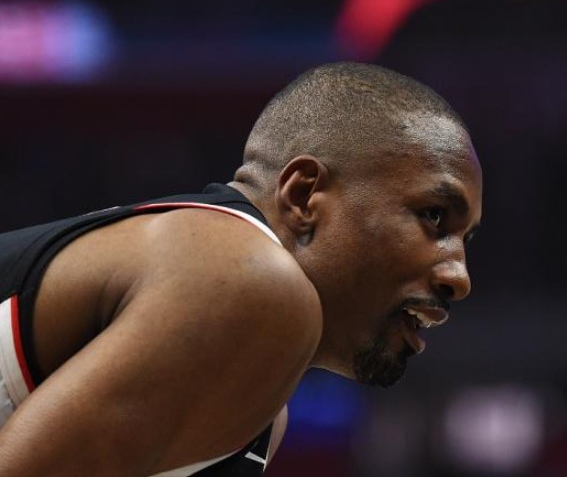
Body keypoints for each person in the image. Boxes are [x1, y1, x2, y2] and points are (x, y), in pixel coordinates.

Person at [0, 62, 482, 476]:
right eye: (433, 216)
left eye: (466, 239)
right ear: (304, 196)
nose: (458, 278)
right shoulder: (252, 282)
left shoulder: (266, 412)